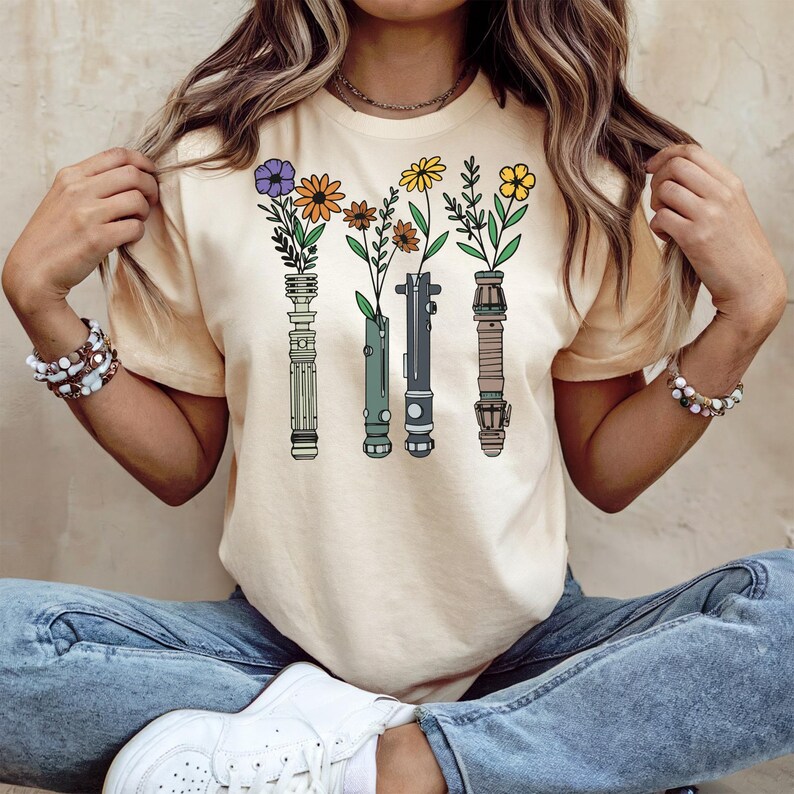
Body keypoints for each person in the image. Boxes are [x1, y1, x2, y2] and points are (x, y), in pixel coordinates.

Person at [1, 0, 791, 792]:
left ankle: (378, 767)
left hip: (523, 653)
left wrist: (743, 322)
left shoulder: (581, 162)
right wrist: (44, 309)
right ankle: (496, 758)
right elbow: (179, 465)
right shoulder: (213, 161)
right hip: (276, 651)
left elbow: (605, 469)